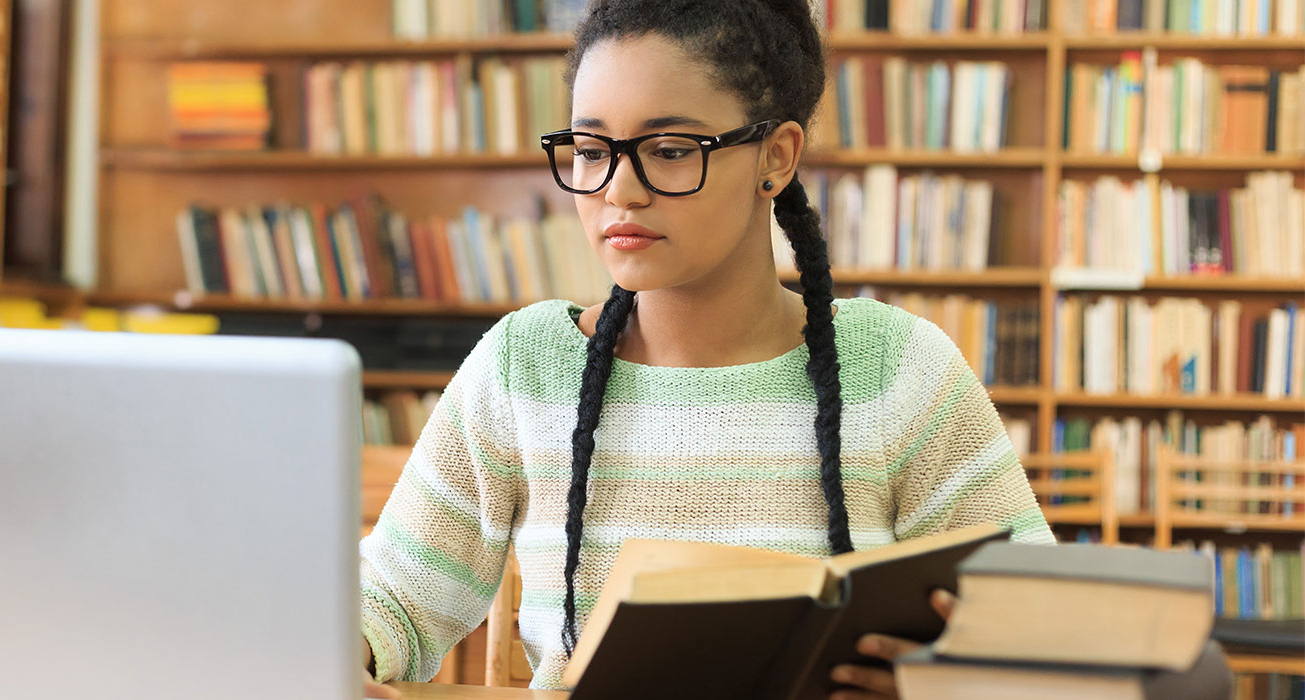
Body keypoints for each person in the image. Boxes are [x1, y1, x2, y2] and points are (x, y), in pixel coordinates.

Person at [358, 0, 1055, 697]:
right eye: (593, 151)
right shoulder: (525, 366)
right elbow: (390, 599)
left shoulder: (898, 369)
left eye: (668, 151)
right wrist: (347, 649)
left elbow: (1041, 629)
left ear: (776, 157)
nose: (619, 191)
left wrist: (945, 680)